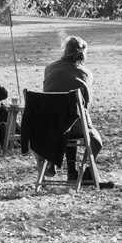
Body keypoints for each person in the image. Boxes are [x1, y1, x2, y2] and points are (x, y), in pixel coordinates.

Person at [42, 35, 109, 185]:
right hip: (72, 123)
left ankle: (71, 172)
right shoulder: (85, 74)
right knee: (95, 141)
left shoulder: (49, 68)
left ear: (65, 50)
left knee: (68, 125)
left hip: (48, 125)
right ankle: (84, 173)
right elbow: (86, 105)